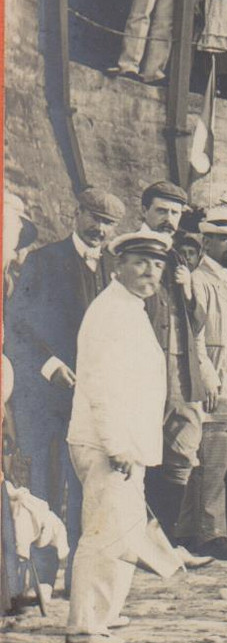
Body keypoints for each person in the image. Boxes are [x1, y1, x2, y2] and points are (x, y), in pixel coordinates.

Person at [4, 187, 122, 592]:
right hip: (47, 398)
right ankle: (39, 577)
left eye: (108, 224)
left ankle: (79, 576)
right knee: (45, 487)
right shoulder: (44, 261)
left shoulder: (113, 269)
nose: (99, 229)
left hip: (90, 402)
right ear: (77, 215)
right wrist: (50, 365)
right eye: (94, 218)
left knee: (87, 489)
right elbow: (16, 326)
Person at [64, 230, 171, 643]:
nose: (150, 271)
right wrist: (116, 444)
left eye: (158, 264)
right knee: (105, 531)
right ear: (118, 265)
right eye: (141, 262)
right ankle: (85, 624)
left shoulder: (131, 308)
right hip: (108, 442)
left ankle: (105, 612)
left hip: (129, 441)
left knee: (124, 528)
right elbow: (98, 384)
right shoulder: (109, 311)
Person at [173, 206, 227, 562]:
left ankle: (190, 529)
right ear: (207, 242)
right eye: (224, 240)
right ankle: (210, 532)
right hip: (213, 376)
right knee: (210, 459)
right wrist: (205, 373)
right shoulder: (199, 279)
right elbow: (196, 333)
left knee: (215, 458)